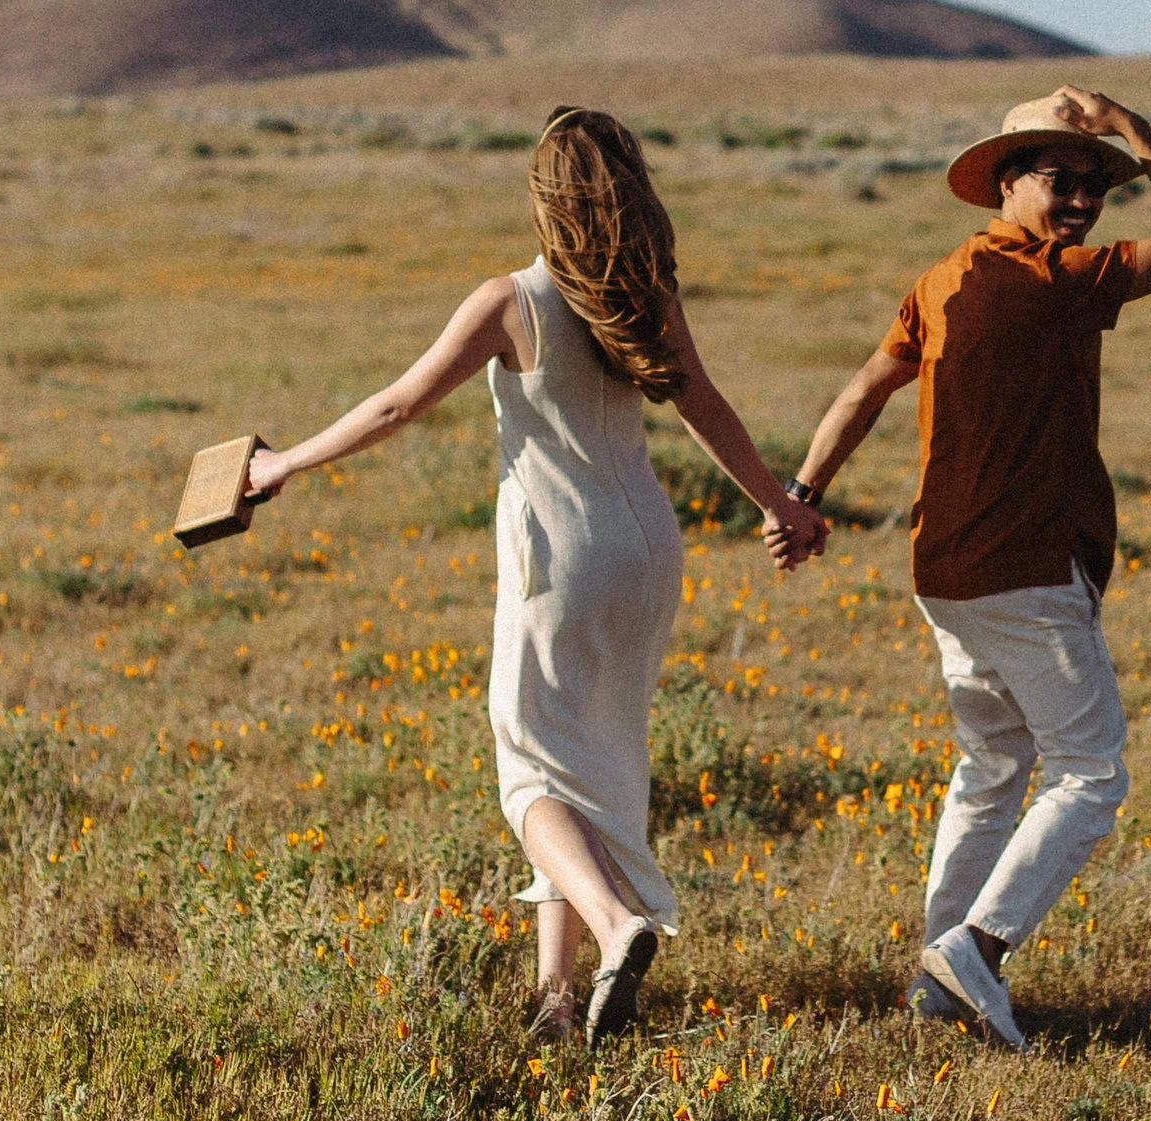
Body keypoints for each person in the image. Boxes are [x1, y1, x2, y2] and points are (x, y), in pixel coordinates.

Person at [245, 107, 823, 1046]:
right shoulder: (645, 297)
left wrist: (281, 466)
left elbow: (396, 405)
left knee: (529, 774)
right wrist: (775, 504)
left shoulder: (509, 300)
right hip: (648, 552)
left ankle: (615, 926)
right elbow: (704, 407)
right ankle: (558, 1001)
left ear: (546, 200)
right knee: (597, 759)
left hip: (560, 556)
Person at [776, 87, 1151, 1049]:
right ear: (1008, 181)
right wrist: (1141, 136)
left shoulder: (938, 283)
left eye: (1099, 185)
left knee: (991, 766)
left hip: (945, 566)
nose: (1084, 200)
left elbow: (864, 389)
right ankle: (977, 943)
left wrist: (803, 495)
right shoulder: (1057, 277)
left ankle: (939, 984)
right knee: (1090, 772)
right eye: (1063, 178)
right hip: (1023, 564)